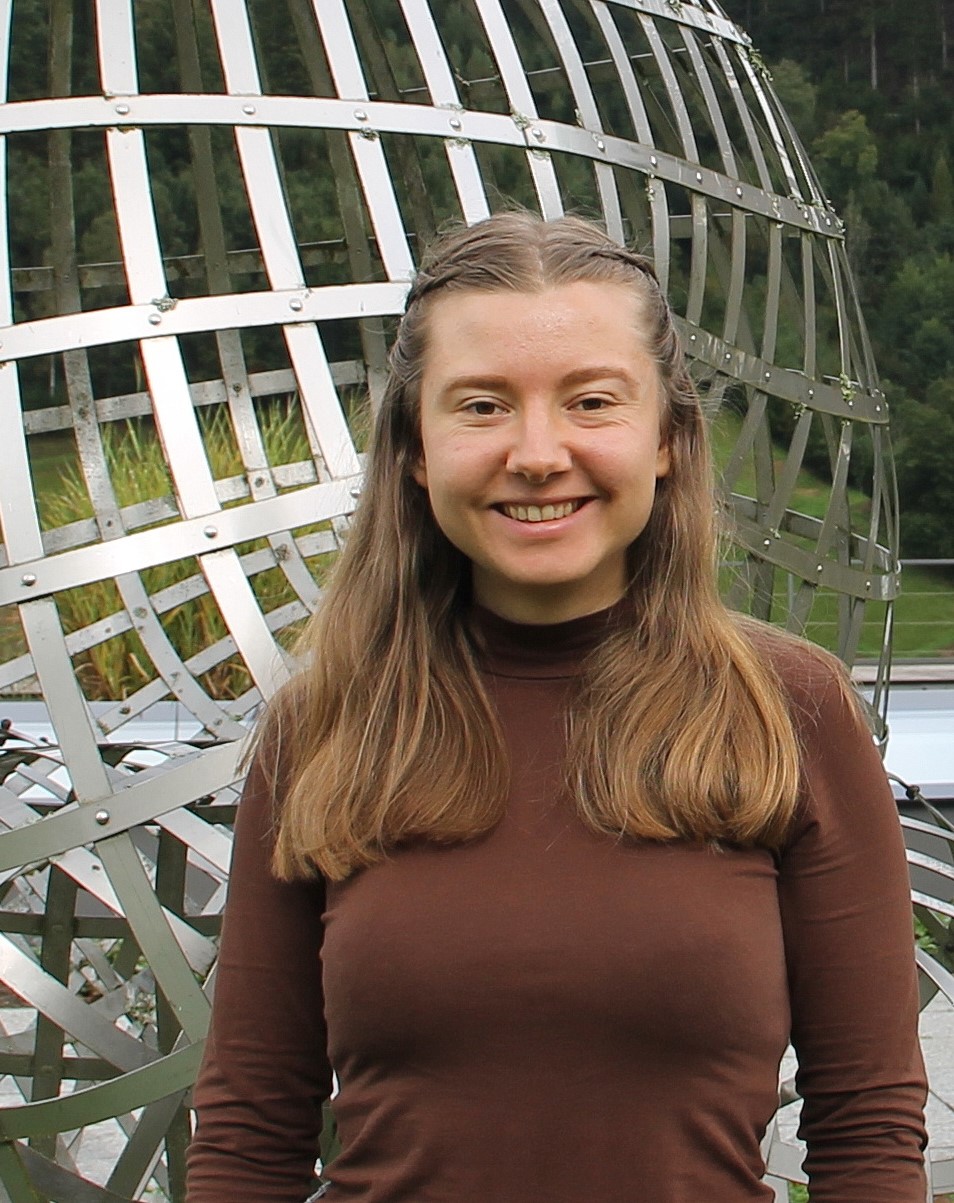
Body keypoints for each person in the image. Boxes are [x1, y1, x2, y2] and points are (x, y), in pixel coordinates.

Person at [185, 211, 927, 1203]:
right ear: (414, 448)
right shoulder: (325, 727)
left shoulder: (788, 711)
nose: (537, 454)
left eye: (591, 401)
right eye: (483, 406)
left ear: (667, 439)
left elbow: (868, 1125)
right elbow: (249, 1134)